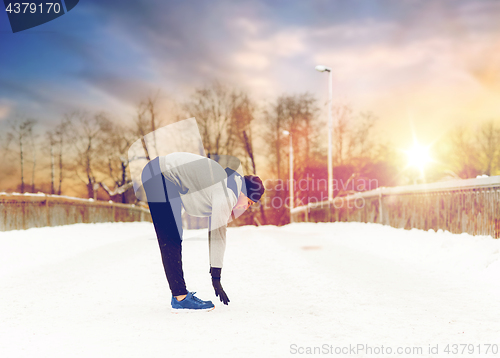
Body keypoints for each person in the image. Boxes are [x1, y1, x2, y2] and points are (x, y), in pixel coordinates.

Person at [140, 152, 265, 312]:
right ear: (244, 192)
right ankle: (180, 298)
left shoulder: (230, 182)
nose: (244, 208)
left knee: (173, 235)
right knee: (171, 237)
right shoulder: (228, 194)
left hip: (160, 173)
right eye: (248, 202)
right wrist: (216, 277)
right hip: (160, 175)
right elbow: (218, 234)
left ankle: (179, 295)